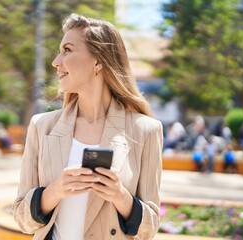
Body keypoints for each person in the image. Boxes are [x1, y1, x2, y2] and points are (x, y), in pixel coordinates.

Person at [12, 14, 163, 240]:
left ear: (98, 62)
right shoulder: (42, 126)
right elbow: (23, 219)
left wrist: (120, 196)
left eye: (67, 50)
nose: (56, 61)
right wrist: (55, 191)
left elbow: (149, 228)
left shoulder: (146, 130)